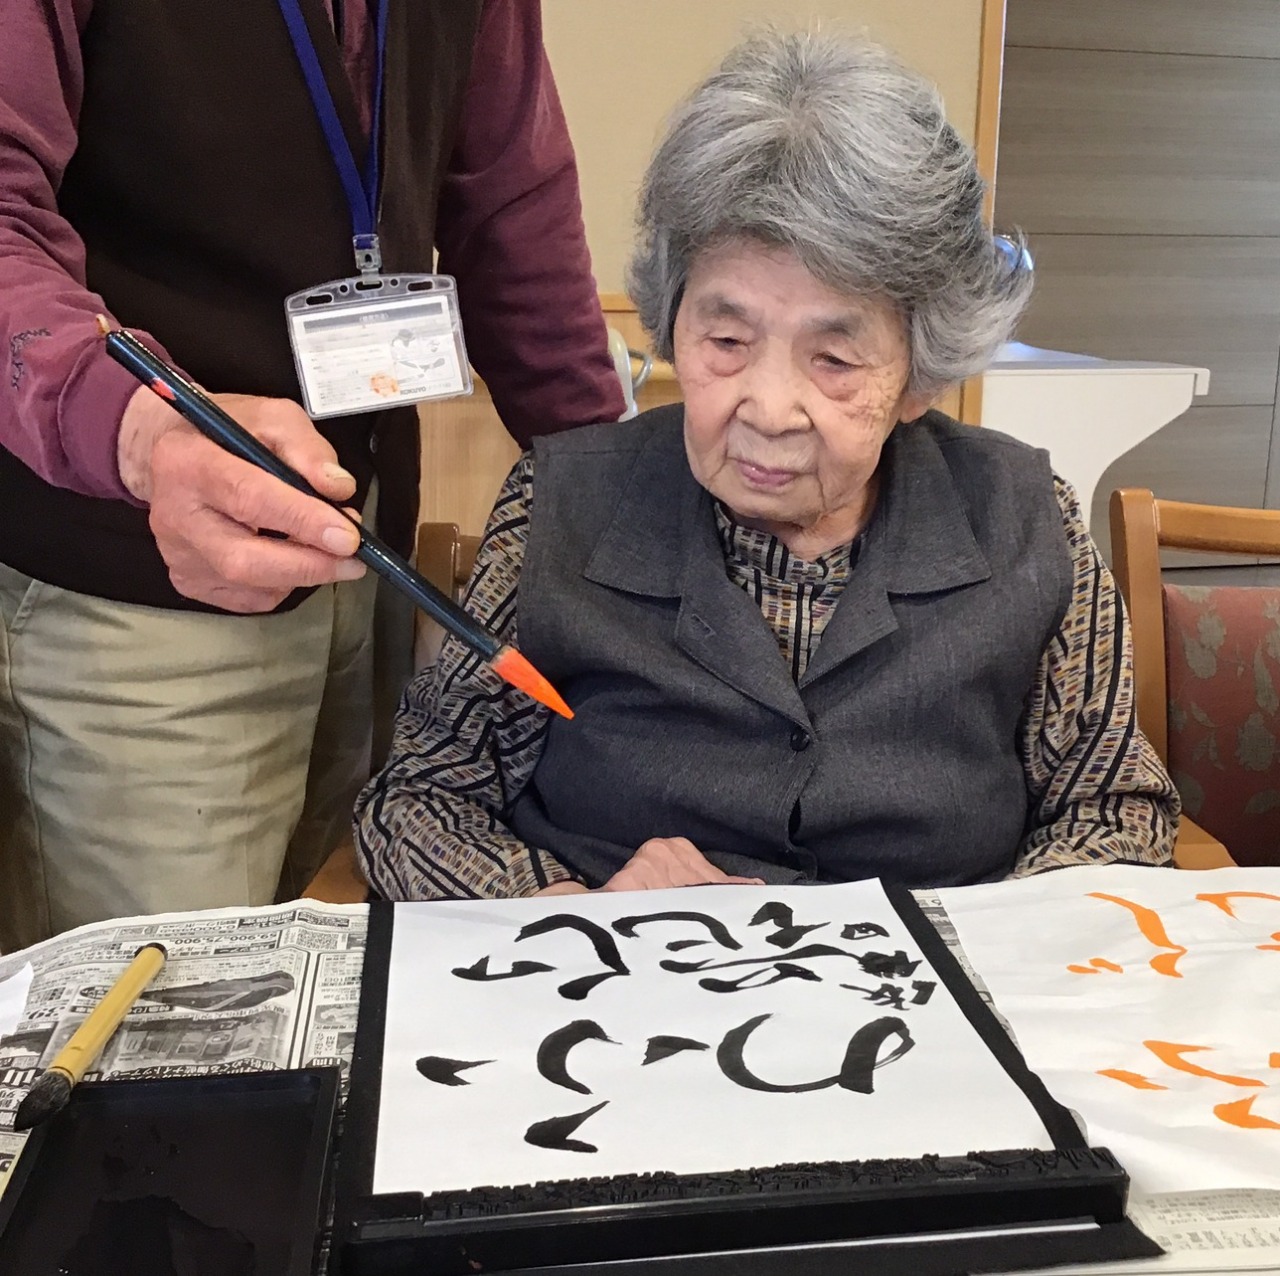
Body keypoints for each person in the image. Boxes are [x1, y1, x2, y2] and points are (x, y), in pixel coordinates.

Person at [355, 31, 1179, 900]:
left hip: (924, 1009)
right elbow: (416, 801)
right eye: (726, 340)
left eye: (835, 359)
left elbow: (1116, 812)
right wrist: (566, 911)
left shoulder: (1023, 518)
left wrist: (957, 957)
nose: (767, 408)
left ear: (919, 377)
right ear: (673, 321)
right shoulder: (566, 503)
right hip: (627, 1004)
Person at [0, 0, 625, 950]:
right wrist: (133, 427)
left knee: (281, 944)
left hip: (359, 543)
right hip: (134, 573)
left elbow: (509, 200)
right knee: (169, 1016)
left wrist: (618, 488)